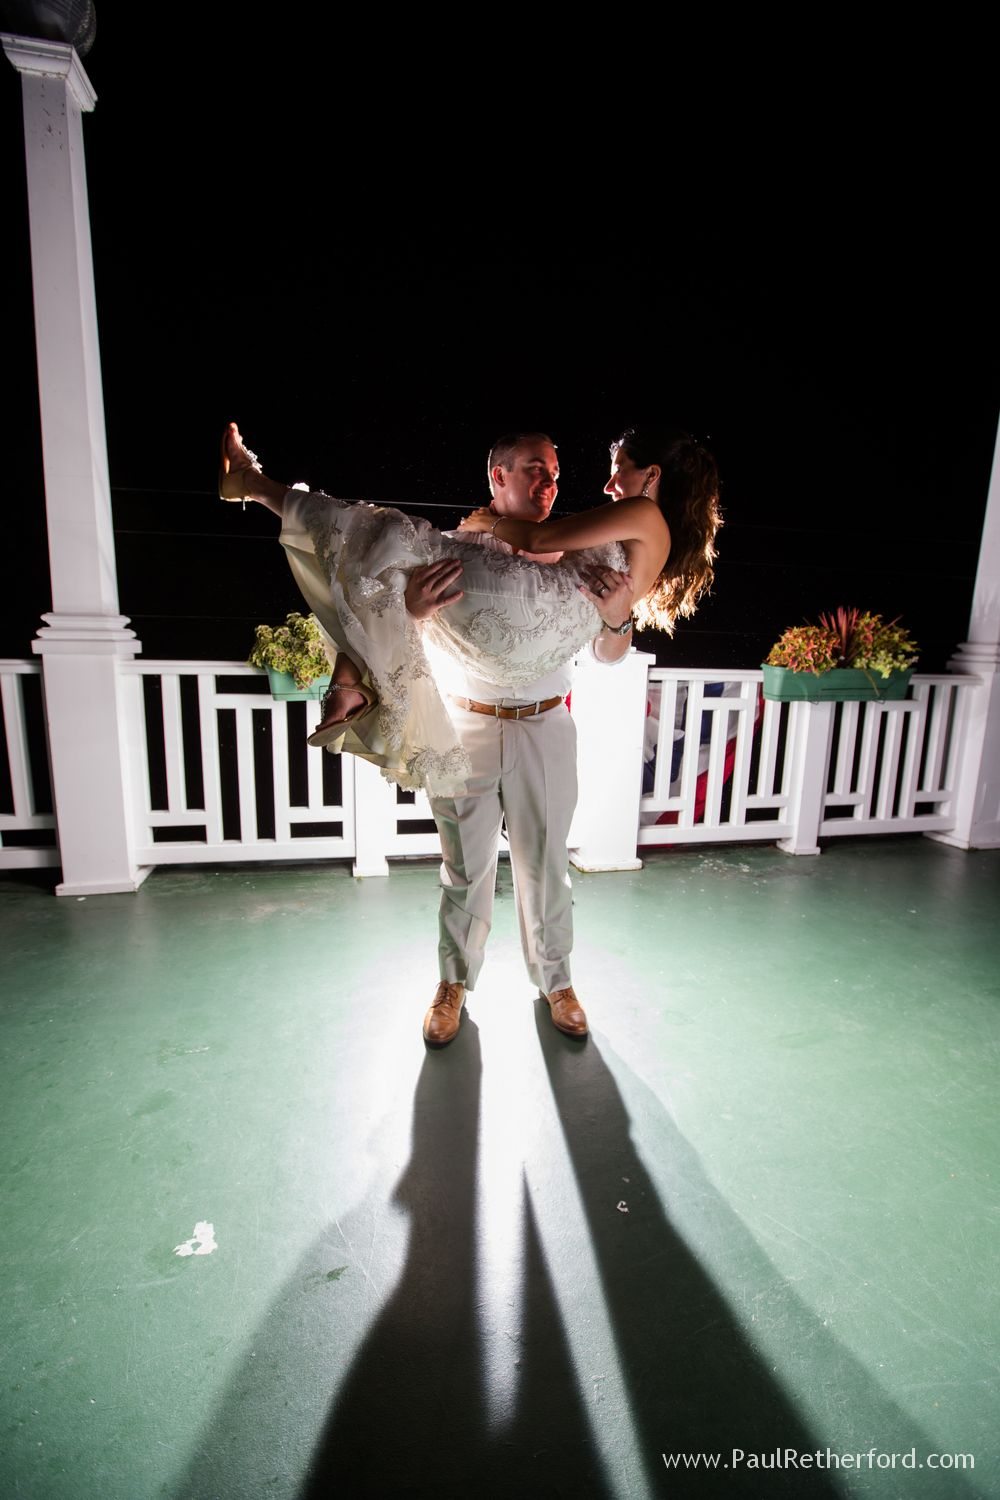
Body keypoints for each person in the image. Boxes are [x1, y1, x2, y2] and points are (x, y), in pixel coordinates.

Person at [219, 424, 721, 1044]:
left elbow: (608, 650)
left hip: (545, 726)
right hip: (470, 722)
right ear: (498, 477)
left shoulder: (583, 541)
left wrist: (619, 616)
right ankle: (453, 983)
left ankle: (557, 982)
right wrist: (415, 610)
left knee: (546, 867)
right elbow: (407, 616)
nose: (556, 481)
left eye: (556, 472)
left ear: (652, 477)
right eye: (534, 468)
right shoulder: (456, 547)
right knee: (464, 868)